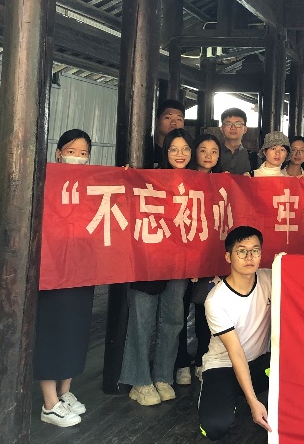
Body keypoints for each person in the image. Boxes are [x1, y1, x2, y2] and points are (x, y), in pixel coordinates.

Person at [121, 128, 191, 406]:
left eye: (185, 149)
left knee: (173, 321)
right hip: (147, 260)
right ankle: (139, 380)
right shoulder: (150, 177)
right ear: (165, 152)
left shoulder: (196, 182)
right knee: (142, 320)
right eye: (174, 149)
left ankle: (163, 375)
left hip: (179, 262)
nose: (180, 154)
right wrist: (127, 178)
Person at [34, 129, 95, 427]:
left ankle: (64, 392)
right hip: (51, 269)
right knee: (50, 329)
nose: (77, 158)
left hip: (81, 269)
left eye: (84, 154)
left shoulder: (93, 184)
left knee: (75, 330)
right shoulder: (43, 178)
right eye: (71, 151)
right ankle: (49, 403)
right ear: (58, 153)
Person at [199, 226, 272, 440]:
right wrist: (253, 402)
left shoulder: (269, 278)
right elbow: (236, 352)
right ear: (228, 256)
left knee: (296, 371)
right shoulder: (216, 300)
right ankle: (227, 392)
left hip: (259, 363)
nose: (249, 257)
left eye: (255, 250)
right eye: (241, 251)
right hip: (224, 366)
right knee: (215, 428)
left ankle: (245, 391)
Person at [175, 132, 222, 386]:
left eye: (214, 152)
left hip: (209, 256)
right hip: (182, 255)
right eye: (203, 150)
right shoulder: (183, 178)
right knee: (180, 312)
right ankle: (182, 361)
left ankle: (203, 358)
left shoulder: (224, 182)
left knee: (206, 310)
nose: (208, 156)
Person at [217, 108, 258, 175]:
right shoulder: (212, 154)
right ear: (221, 128)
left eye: (238, 124)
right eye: (228, 124)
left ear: (245, 129)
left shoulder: (254, 158)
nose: (233, 127)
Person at [154, 99, 185, 167]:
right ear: (156, 121)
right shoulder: (147, 150)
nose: (173, 123)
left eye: (179, 119)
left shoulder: (187, 153)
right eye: (168, 118)